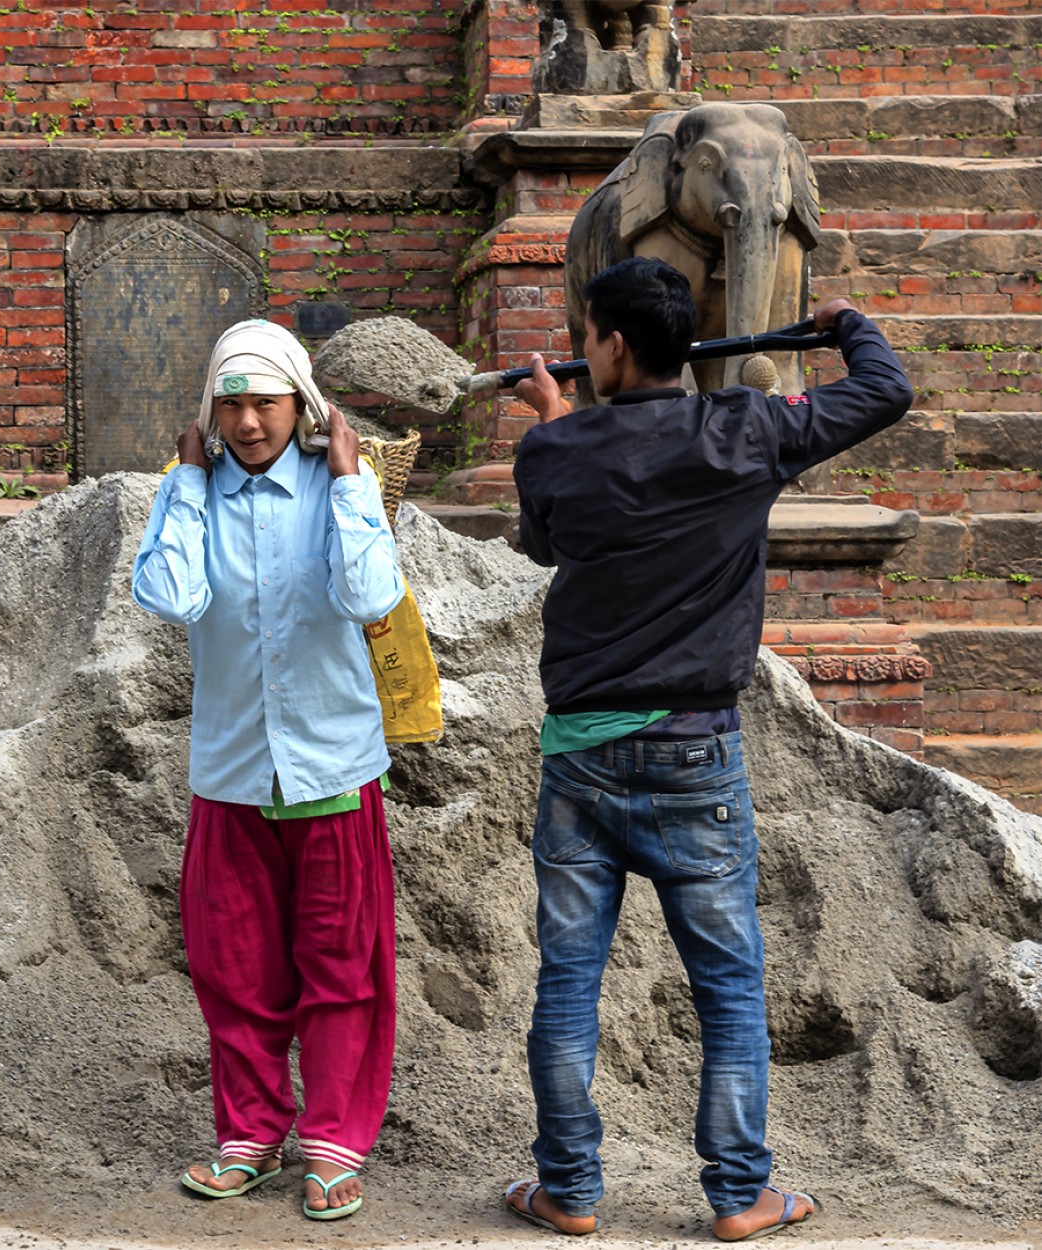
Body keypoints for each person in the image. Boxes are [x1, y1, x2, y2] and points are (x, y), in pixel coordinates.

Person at [503, 258, 914, 1239]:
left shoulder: (554, 451)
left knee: (567, 980)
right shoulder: (744, 430)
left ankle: (566, 1187)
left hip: (580, 760)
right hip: (697, 752)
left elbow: (542, 542)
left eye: (590, 331)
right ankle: (738, 1194)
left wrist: (557, 424)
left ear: (604, 343)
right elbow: (883, 389)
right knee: (726, 983)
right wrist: (844, 320)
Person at [132, 319, 405, 1222]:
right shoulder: (196, 495)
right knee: (235, 967)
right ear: (210, 412)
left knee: (341, 966)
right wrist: (183, 483)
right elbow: (170, 598)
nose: (249, 422)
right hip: (235, 774)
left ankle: (333, 1142)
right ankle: (249, 1133)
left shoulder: (339, 492)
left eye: (268, 403)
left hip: (331, 768)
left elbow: (370, 597)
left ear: (304, 407)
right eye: (232, 404)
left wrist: (350, 481)